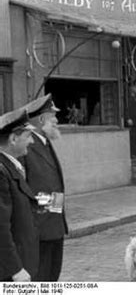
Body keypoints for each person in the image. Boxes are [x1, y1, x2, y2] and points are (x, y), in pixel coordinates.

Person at [19, 94, 68, 282]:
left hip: (53, 228)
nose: (57, 120)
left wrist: (57, 216)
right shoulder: (27, 147)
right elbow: (24, 193)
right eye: (52, 116)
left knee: (52, 278)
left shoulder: (45, 142)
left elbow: (52, 186)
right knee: (41, 280)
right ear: (41, 120)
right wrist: (49, 213)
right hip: (39, 233)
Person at [0, 108, 38, 282]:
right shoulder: (2, 172)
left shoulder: (10, 166)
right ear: (13, 139)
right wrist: (15, 269)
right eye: (28, 136)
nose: (31, 141)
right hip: (11, 273)